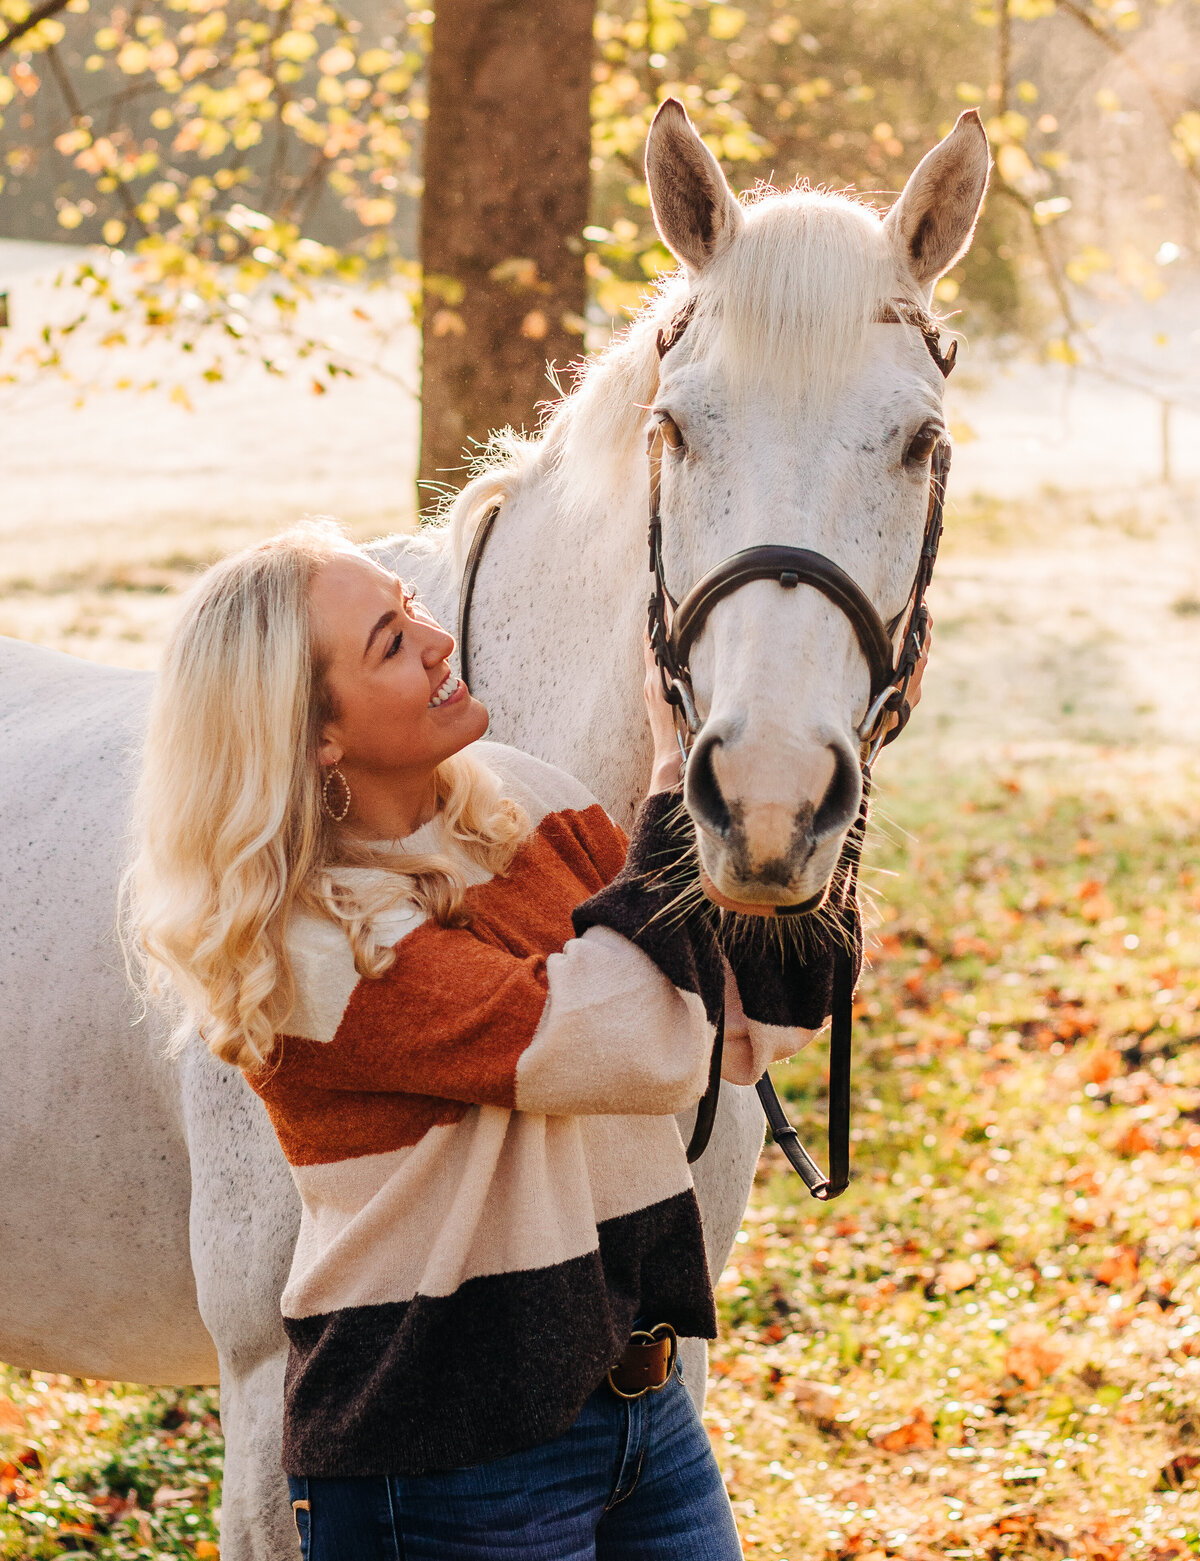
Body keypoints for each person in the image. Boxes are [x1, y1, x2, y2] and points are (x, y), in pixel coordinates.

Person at [125, 518, 880, 1561]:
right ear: (313, 734)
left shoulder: (529, 802)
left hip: (641, 1416)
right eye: (390, 642)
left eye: (410, 604)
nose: (437, 640)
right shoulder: (306, 944)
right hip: (446, 1466)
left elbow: (747, 1016)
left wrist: (818, 785)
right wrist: (673, 784)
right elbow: (625, 1039)